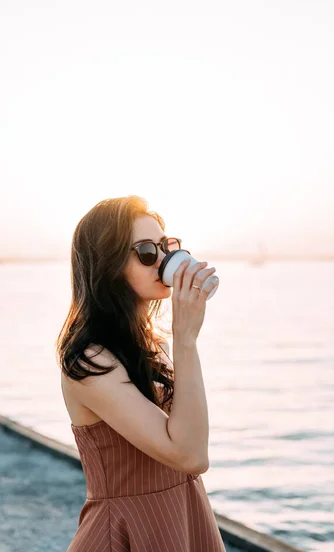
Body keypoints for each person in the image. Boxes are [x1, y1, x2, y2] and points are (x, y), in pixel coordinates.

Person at [57, 195, 225, 551]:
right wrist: (187, 340)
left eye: (168, 246)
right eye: (148, 251)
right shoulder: (89, 361)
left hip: (183, 516)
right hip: (126, 532)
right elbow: (191, 455)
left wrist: (181, 341)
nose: (165, 260)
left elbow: (190, 445)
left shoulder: (152, 344)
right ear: (108, 264)